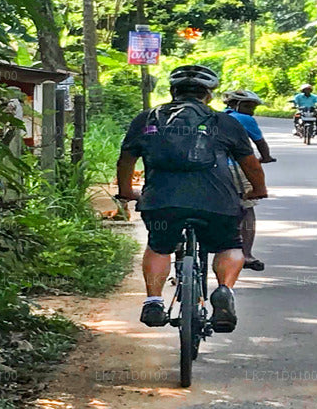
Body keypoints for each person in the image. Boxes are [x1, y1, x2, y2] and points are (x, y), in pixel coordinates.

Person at [115, 65, 268, 333]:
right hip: (217, 203)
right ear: (209, 94)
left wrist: (127, 192)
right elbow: (252, 165)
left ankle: (153, 301)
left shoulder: (147, 119)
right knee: (230, 245)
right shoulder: (225, 122)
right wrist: (258, 190)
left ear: (173, 91)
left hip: (161, 202)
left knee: (160, 245)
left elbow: (126, 160)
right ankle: (223, 291)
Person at [222, 89, 275, 273]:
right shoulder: (245, 120)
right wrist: (266, 157)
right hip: (237, 167)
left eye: (253, 107)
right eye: (247, 106)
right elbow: (260, 142)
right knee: (247, 207)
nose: (251, 110)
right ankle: (246, 254)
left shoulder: (216, 117)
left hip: (214, 168)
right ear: (235, 105)